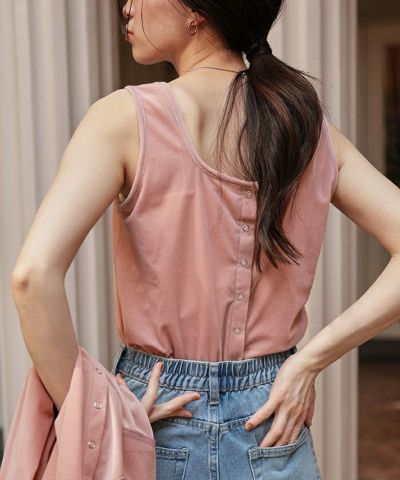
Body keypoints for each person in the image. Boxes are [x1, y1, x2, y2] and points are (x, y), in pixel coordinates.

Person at [10, 0, 400, 479]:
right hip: (272, 417)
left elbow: (31, 278)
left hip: (158, 416)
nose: (126, 7)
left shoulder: (125, 118)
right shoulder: (307, 130)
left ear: (195, 10)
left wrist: (99, 414)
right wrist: (309, 363)